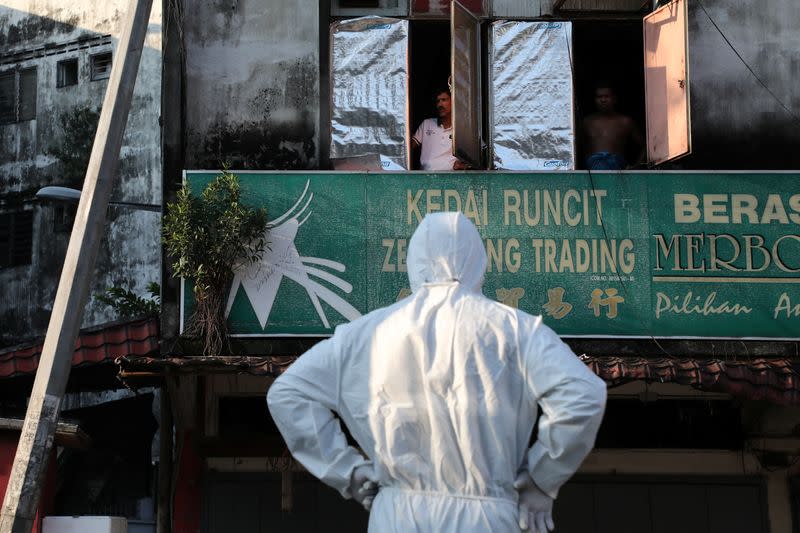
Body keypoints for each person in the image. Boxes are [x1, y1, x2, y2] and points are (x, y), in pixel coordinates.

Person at [267, 212, 607, 533]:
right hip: (486, 518)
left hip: (398, 517)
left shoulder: (365, 334)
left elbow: (288, 393)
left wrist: (348, 472)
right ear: (479, 262)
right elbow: (583, 395)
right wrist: (542, 477)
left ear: (414, 263)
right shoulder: (514, 330)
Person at [582, 82, 645, 170]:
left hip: (619, 173)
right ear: (594, 100)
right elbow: (579, 148)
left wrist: (635, 167)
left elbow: (644, 147)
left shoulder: (625, 122)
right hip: (592, 174)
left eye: (607, 96)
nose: (603, 100)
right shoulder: (587, 122)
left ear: (614, 99)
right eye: (599, 97)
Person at [412, 87, 469, 171]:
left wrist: (466, 165)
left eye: (444, 100)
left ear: (453, 102)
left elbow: (481, 152)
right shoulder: (427, 124)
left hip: (451, 179)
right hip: (426, 178)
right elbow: (407, 148)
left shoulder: (462, 128)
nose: (440, 105)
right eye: (437, 101)